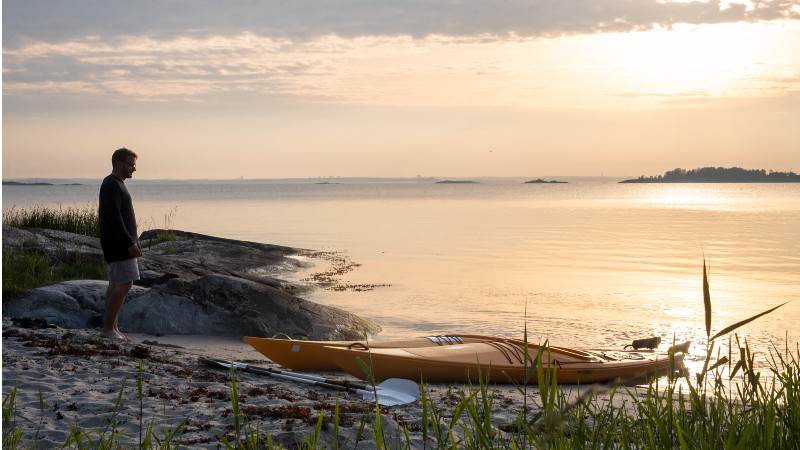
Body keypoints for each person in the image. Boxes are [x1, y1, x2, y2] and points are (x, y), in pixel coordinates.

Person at [98, 148, 141, 340]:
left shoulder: (116, 184)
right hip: (119, 245)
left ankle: (112, 327)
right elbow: (114, 218)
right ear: (119, 163)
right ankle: (108, 329)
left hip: (117, 244)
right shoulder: (112, 185)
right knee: (125, 284)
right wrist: (129, 243)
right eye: (131, 164)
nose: (134, 168)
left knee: (115, 284)